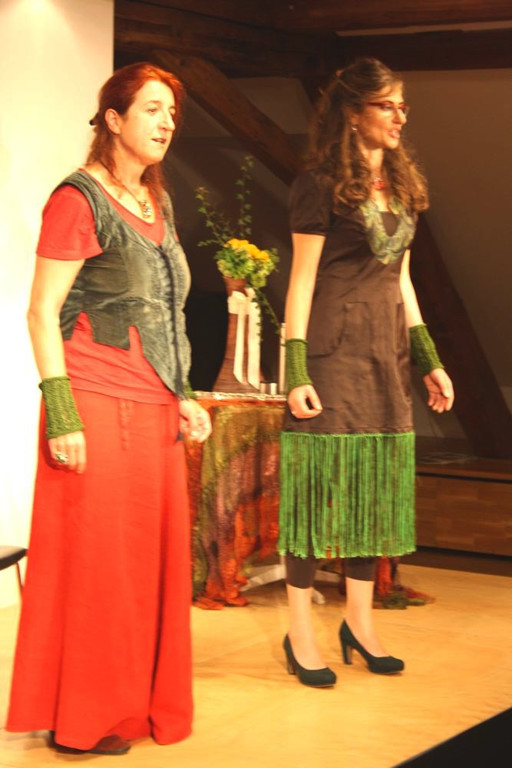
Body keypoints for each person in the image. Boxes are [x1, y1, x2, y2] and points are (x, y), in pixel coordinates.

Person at [6, 62, 211, 754]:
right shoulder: (79, 198)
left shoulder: (157, 203)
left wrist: (183, 394)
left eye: (172, 113)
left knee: (143, 569)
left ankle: (132, 705)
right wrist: (62, 413)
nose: (166, 123)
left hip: (153, 413)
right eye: (152, 109)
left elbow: (167, 312)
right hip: (94, 403)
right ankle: (82, 718)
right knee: (98, 567)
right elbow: (41, 312)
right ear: (114, 120)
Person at [279, 57, 454, 687]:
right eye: (387, 104)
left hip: (385, 356)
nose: (400, 115)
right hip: (331, 354)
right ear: (354, 113)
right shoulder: (318, 185)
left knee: (370, 494)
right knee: (312, 495)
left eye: (403, 105)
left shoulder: (402, 188)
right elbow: (301, 282)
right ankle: (301, 633)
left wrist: (429, 359)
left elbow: (402, 280)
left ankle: (359, 623)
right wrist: (295, 369)